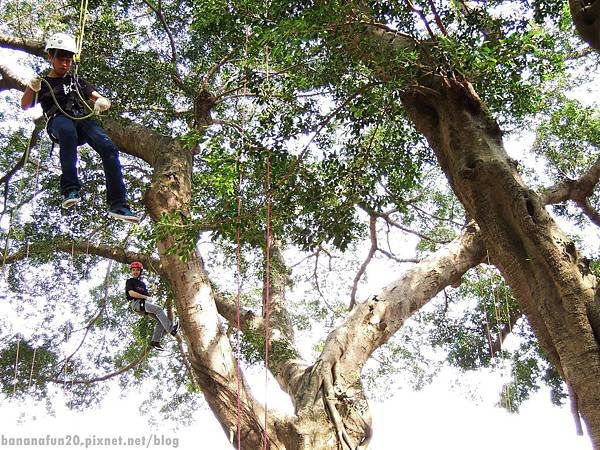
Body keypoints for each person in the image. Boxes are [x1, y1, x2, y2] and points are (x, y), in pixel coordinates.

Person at [20, 32, 139, 223]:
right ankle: (70, 189)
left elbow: (98, 96)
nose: (65, 64)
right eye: (60, 59)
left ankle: (118, 204)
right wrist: (30, 87)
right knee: (66, 130)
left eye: (69, 60)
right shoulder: (43, 83)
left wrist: (101, 101)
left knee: (108, 147)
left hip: (81, 120)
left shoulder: (76, 81)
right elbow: (25, 105)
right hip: (57, 121)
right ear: (50, 56)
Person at [125, 261, 178, 350]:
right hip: (136, 303)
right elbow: (131, 293)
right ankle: (171, 329)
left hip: (143, 304)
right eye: (133, 270)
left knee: (160, 320)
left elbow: (148, 296)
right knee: (159, 310)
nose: (135, 272)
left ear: (140, 271)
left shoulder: (142, 284)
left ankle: (155, 342)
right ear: (131, 271)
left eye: (137, 270)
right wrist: (145, 297)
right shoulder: (130, 281)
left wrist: (152, 293)